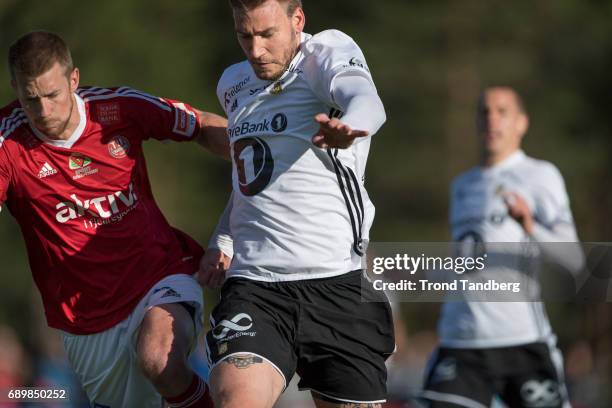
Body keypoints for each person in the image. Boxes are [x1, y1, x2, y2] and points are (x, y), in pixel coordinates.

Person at [0, 31, 229, 407]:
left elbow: (199, 124)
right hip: (85, 318)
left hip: (159, 273)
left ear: (73, 79)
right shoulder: (7, 142)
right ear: (15, 89)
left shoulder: (117, 108)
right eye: (30, 99)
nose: (43, 112)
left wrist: (258, 154)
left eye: (52, 95)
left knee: (160, 360)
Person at [197, 0, 394, 407]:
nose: (255, 51)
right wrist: (224, 240)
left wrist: (350, 128)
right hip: (255, 287)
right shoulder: (233, 84)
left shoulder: (325, 55)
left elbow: (368, 101)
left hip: (336, 283)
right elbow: (249, 179)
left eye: (267, 34)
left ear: (297, 19)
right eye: (244, 35)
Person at [421, 86, 584, 408]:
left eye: (502, 111)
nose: (491, 119)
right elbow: (468, 262)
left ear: (521, 123)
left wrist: (530, 226)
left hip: (521, 342)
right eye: (484, 112)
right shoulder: (462, 185)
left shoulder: (540, 175)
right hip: (462, 344)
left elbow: (575, 258)